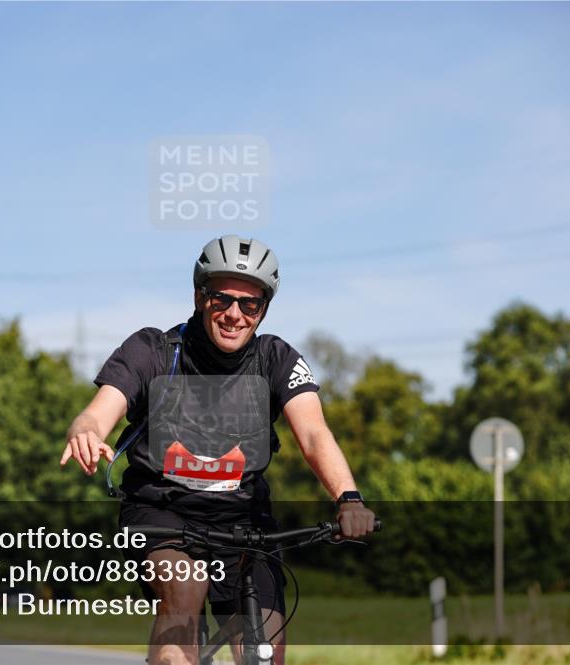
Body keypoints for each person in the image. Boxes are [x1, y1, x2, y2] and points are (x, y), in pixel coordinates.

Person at [61, 235, 376, 665]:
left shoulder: (275, 358)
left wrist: (349, 499)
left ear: (264, 309)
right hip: (161, 514)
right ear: (198, 295)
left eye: (250, 304)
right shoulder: (153, 350)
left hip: (244, 521)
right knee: (186, 585)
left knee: (266, 647)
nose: (234, 314)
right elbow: (98, 413)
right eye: (221, 298)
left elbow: (315, 435)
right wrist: (86, 430)